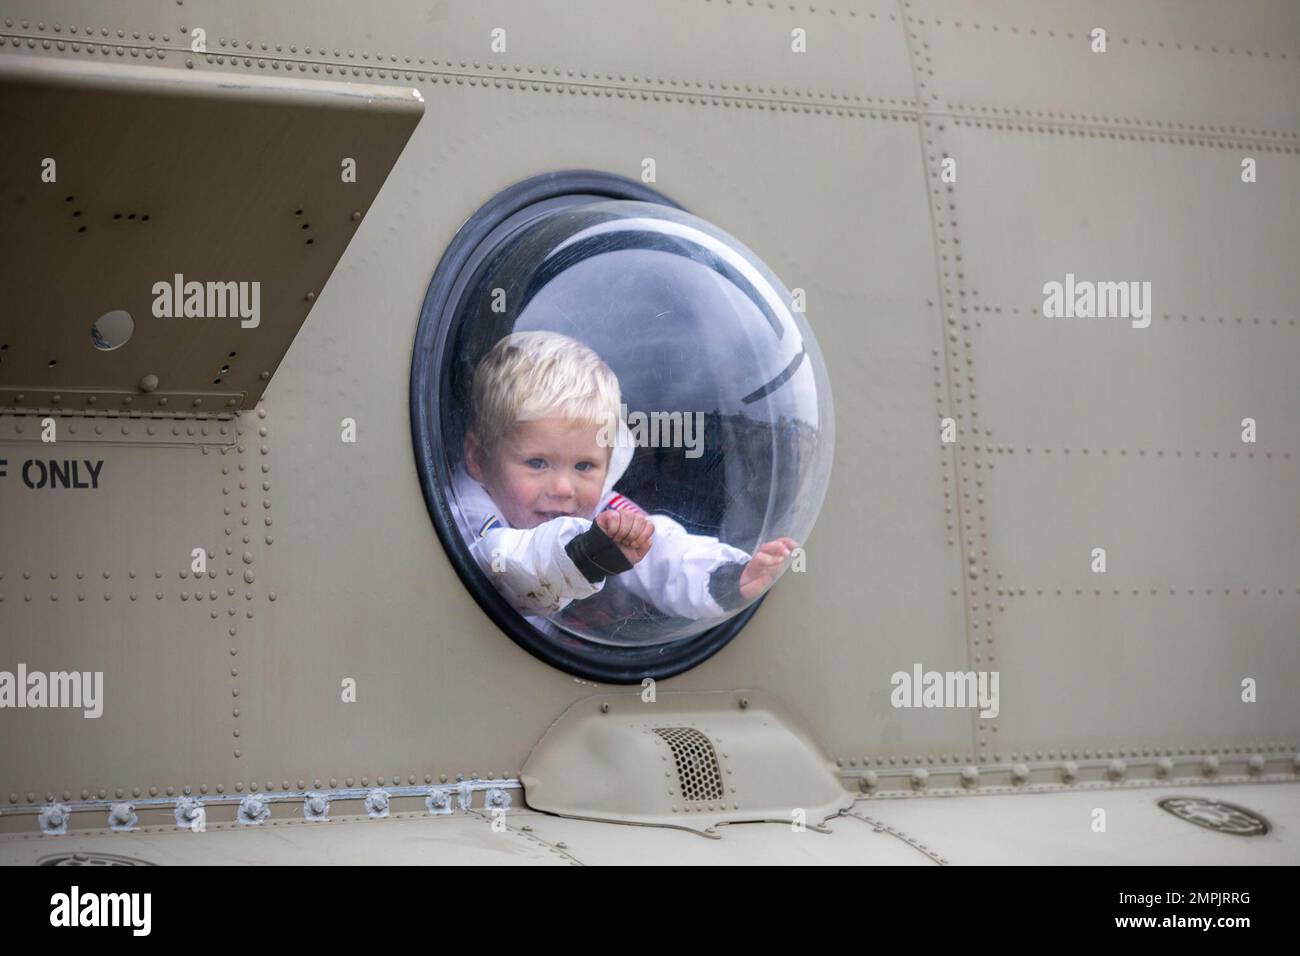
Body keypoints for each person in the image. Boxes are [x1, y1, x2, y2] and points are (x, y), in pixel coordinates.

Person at [451, 331, 797, 634]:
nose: (564, 488)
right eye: (537, 463)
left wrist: (724, 578)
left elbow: (657, 546)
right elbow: (505, 561)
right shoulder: (466, 513)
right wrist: (582, 554)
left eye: (584, 465)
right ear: (479, 459)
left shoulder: (598, 507)